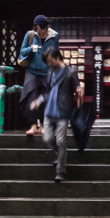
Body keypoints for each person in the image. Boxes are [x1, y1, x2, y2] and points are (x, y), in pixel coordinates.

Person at [43, 47, 83, 182]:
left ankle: (60, 171)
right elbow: (47, 91)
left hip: (63, 111)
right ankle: (59, 155)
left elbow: (77, 89)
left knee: (61, 141)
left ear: (58, 57)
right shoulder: (49, 73)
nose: (50, 64)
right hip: (49, 111)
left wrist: (79, 92)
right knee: (48, 138)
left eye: (51, 61)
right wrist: (38, 101)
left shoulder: (71, 72)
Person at [18, 15, 56, 136]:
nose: (37, 30)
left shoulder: (54, 36)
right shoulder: (30, 35)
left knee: (46, 98)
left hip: (47, 71)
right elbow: (22, 51)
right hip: (32, 71)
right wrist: (31, 48)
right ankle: (33, 126)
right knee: (31, 96)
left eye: (39, 27)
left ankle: (44, 125)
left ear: (43, 27)